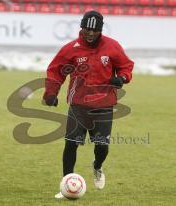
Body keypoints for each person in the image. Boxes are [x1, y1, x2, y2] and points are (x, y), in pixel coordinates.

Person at [43, 10, 134, 199]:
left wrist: (122, 78)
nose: (90, 33)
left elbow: (126, 65)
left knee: (102, 147)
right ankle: (66, 185)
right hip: (78, 105)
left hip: (104, 104)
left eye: (94, 30)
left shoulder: (112, 46)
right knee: (71, 144)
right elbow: (55, 71)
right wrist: (51, 93)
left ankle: (97, 166)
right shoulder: (71, 49)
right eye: (87, 29)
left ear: (100, 30)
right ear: (81, 28)